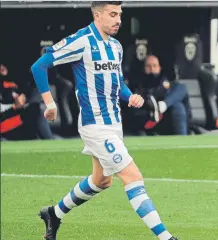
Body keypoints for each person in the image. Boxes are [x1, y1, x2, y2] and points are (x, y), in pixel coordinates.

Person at [30, 2, 178, 240]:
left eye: (120, 14)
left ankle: (54, 213)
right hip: (95, 125)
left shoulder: (116, 47)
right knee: (133, 176)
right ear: (97, 15)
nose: (118, 19)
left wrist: (131, 97)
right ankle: (166, 237)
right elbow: (39, 66)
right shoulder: (82, 40)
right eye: (112, 14)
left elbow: (118, 83)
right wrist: (50, 103)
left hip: (113, 124)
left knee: (102, 180)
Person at [129, 54, 190, 135]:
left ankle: (182, 142)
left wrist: (164, 104)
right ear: (144, 69)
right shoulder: (139, 85)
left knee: (178, 105)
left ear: (159, 68)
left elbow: (182, 89)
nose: (152, 69)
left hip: (168, 119)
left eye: (155, 66)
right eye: (148, 66)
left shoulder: (165, 82)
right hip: (148, 120)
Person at [0, 63, 53, 140]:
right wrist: (14, 107)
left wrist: (23, 98)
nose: (1, 67)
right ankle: (48, 141)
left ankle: (47, 140)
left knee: (35, 107)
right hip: (5, 123)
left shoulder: (12, 81)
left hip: (18, 114)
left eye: (2, 65)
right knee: (34, 109)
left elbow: (25, 91)